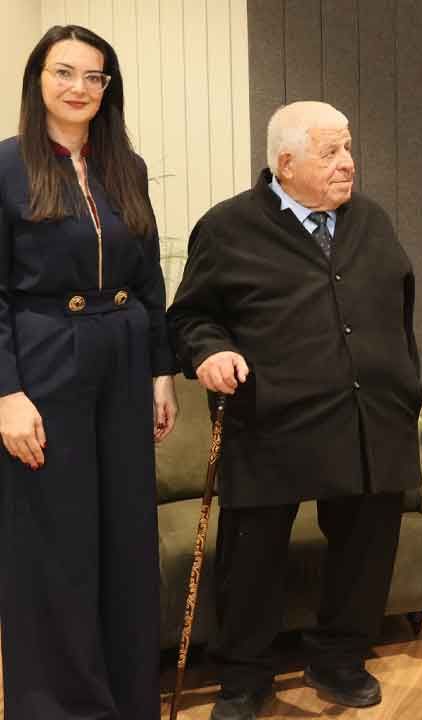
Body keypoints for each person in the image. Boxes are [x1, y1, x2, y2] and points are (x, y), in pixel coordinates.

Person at [167, 101, 422, 720]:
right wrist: (211, 351)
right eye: (331, 152)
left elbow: (398, 306)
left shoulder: (370, 220)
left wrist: (404, 383)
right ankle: (244, 676)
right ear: (285, 163)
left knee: (367, 543)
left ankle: (339, 657)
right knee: (252, 554)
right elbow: (190, 318)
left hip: (369, 416)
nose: (348, 162)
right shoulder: (228, 227)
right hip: (271, 418)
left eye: (348, 147)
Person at [0, 24, 177, 719]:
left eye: (94, 76)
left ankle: (129, 702)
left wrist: (161, 371)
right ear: (37, 80)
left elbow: (150, 276)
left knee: (126, 540)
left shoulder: (125, 167)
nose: (79, 87)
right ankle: (62, 708)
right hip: (45, 361)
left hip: (124, 360)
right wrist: (7, 392)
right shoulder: (7, 166)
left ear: (109, 88)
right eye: (63, 72)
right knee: (56, 544)